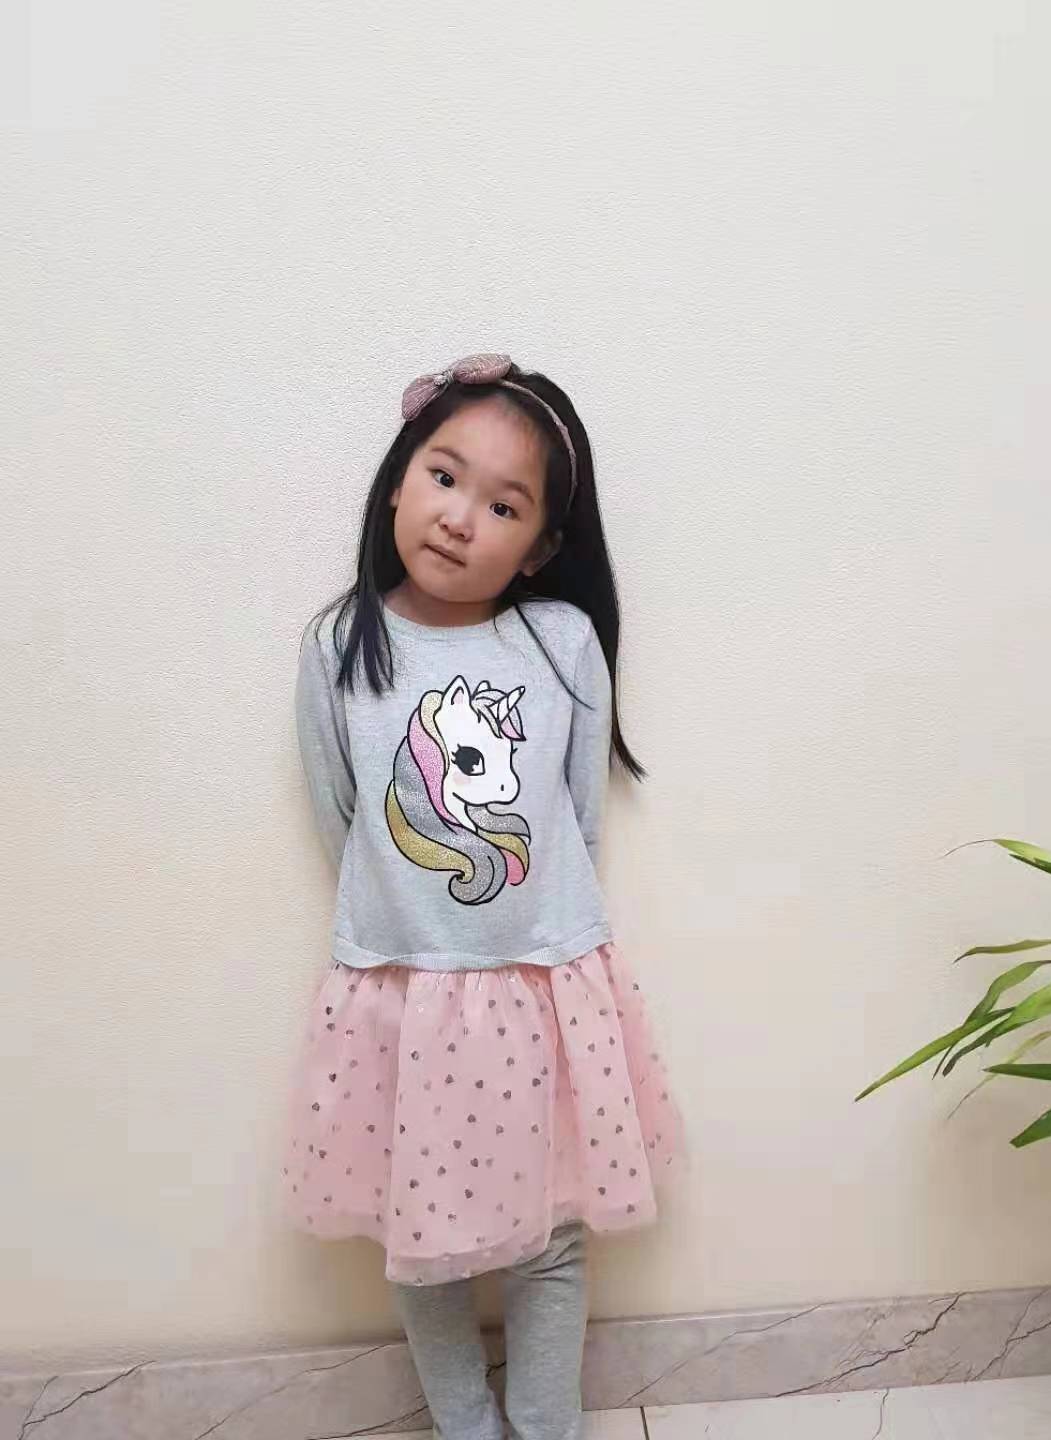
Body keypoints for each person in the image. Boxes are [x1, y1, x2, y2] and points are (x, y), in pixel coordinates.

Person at [283, 353, 682, 1440]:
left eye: (504, 505)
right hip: (402, 993)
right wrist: (415, 923)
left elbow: (575, 820)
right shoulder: (339, 646)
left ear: (541, 545)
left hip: (543, 985)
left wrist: (536, 926)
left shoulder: (561, 644)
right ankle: (465, 1423)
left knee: (553, 1234)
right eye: (444, 476)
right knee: (419, 1239)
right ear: (399, 480)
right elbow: (344, 819)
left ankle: (545, 1425)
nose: (461, 518)